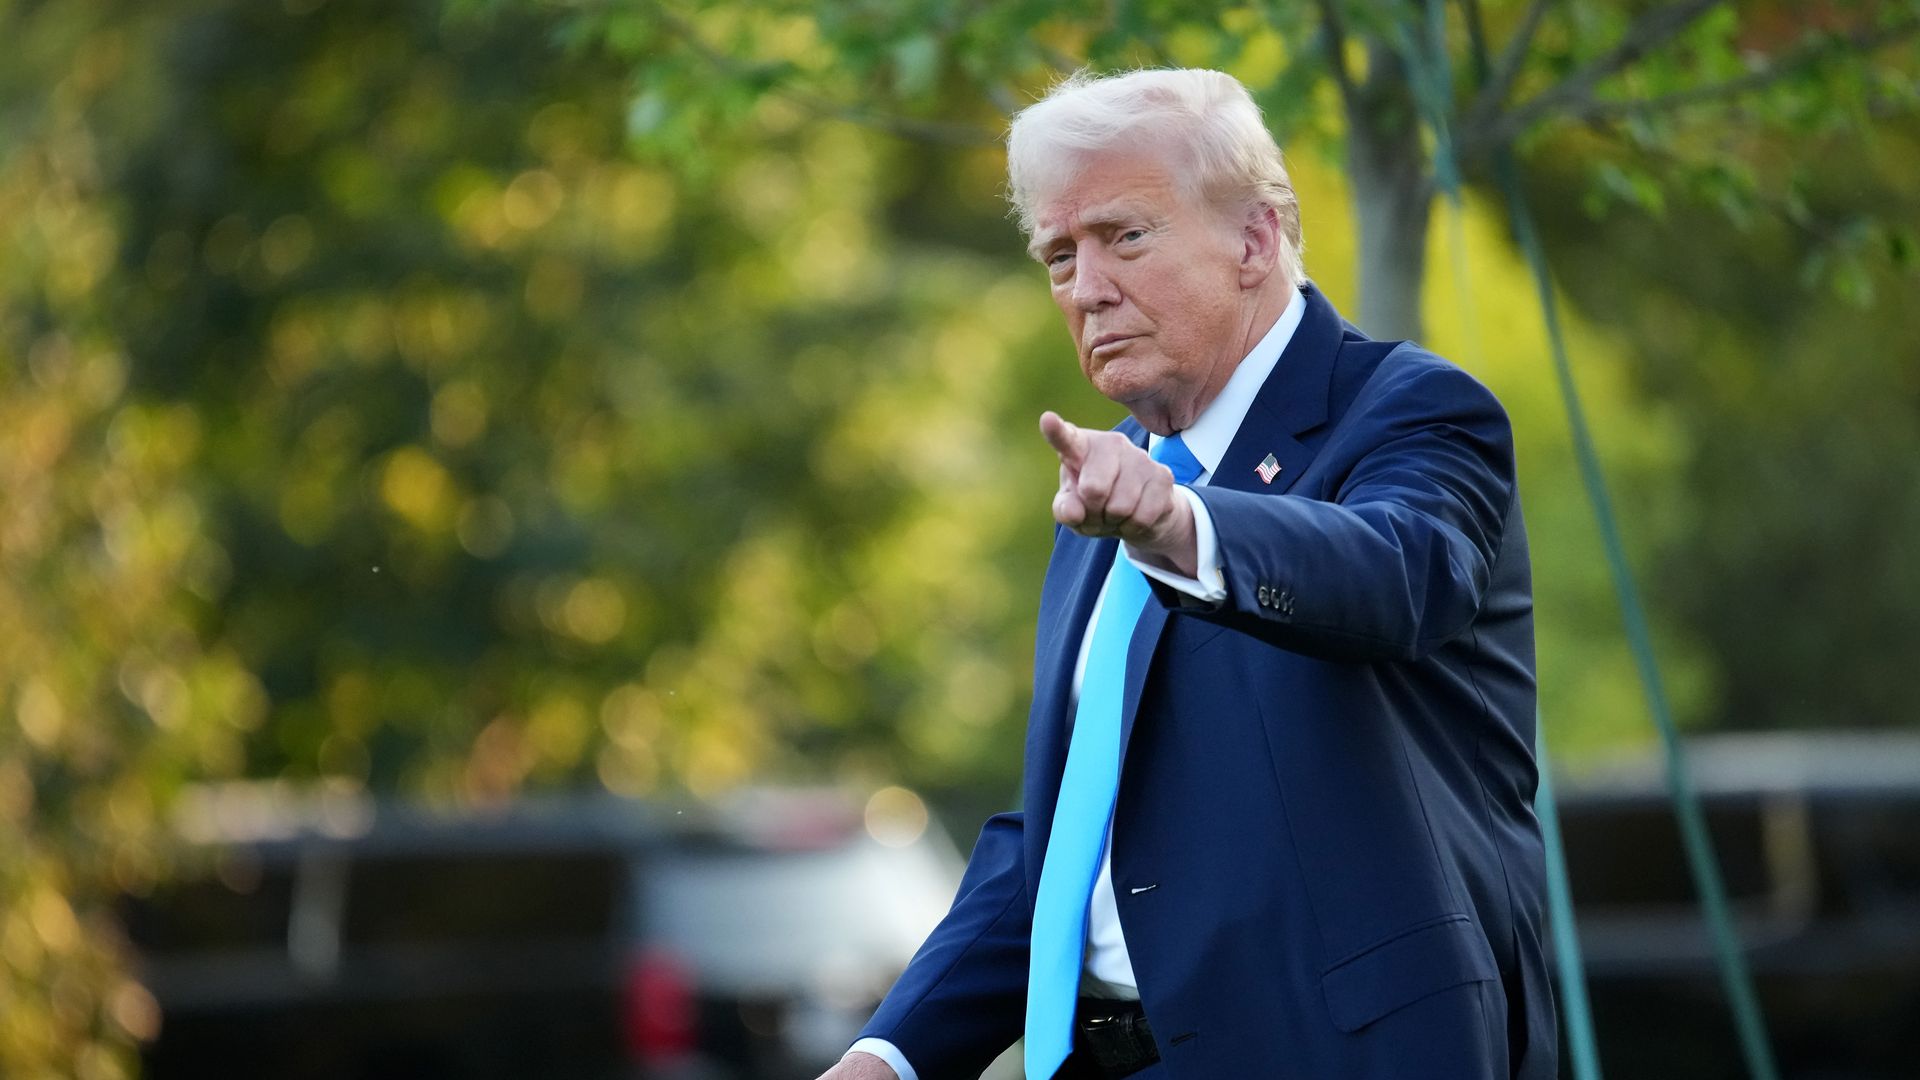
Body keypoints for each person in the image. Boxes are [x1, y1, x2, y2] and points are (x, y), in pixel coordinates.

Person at [820, 68, 1554, 1080]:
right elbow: (1073, 830)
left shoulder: (1412, 412)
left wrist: (1182, 525)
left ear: (1257, 238)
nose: (1086, 288)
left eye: (1124, 236)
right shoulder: (1109, 485)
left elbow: (1397, 576)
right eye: (1058, 255)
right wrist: (890, 1053)